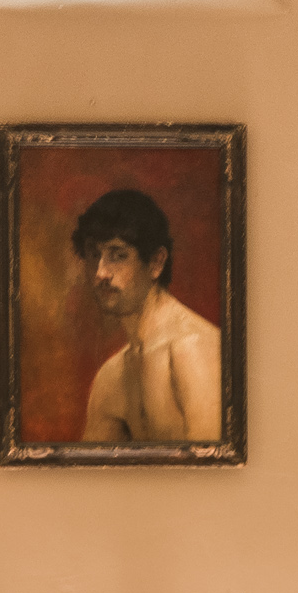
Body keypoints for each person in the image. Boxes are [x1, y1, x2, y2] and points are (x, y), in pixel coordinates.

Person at [70, 186, 223, 445]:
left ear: (156, 263)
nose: (100, 273)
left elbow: (215, 477)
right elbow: (91, 478)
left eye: (118, 256)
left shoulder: (192, 350)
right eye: (94, 255)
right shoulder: (112, 376)